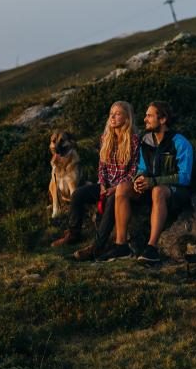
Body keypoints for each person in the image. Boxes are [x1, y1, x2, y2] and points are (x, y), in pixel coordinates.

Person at [100, 101, 193, 263]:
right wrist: (138, 179)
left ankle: (152, 248)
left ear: (163, 119)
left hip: (175, 191)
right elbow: (141, 167)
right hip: (151, 185)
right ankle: (121, 245)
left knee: (158, 191)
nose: (145, 119)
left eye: (149, 116)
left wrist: (154, 181)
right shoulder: (146, 140)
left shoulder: (180, 143)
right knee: (122, 187)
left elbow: (184, 177)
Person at [50, 101, 140, 262]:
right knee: (78, 194)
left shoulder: (133, 140)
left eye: (118, 113)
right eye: (111, 113)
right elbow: (102, 166)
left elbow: (134, 170)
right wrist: (103, 184)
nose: (112, 116)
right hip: (106, 185)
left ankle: (97, 247)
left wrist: (115, 188)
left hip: (122, 188)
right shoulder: (105, 138)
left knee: (113, 199)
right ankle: (74, 233)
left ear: (127, 118)